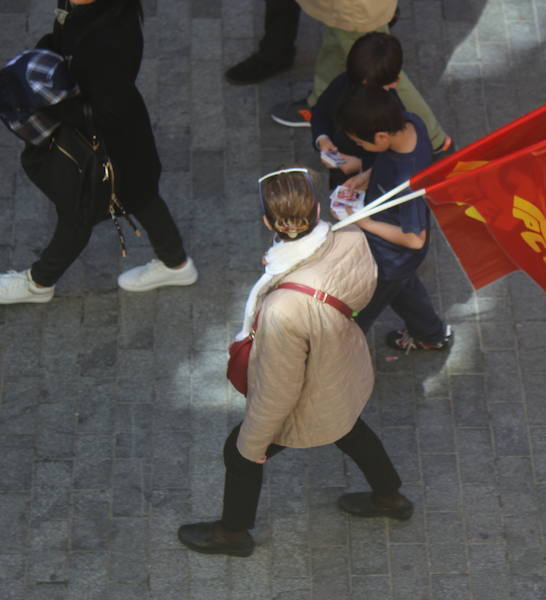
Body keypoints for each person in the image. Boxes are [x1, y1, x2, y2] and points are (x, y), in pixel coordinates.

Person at [178, 167, 412, 557]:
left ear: (268, 221)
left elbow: (277, 387)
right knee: (348, 427)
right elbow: (364, 287)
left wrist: (252, 442)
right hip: (341, 362)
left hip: (312, 386)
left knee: (238, 453)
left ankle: (232, 534)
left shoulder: (281, 309)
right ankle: (390, 497)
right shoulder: (351, 235)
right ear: (318, 208)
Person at [0, 0, 197, 305]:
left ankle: (38, 284)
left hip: (111, 140)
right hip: (122, 135)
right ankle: (176, 264)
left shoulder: (112, 36)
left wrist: (50, 101)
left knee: (79, 214)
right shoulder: (85, 7)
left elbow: (107, 110)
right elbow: (61, 43)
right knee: (142, 197)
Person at [225, 0, 454, 157]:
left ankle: (435, 141)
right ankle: (319, 102)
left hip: (353, 6)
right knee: (338, 38)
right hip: (345, 8)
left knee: (380, 69)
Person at [338, 86, 452, 351]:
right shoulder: (410, 122)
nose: (360, 147)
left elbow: (414, 239)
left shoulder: (407, 180)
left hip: (390, 257)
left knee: (358, 314)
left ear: (381, 136)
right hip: (395, 260)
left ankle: (342, 359)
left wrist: (365, 222)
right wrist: (368, 176)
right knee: (403, 289)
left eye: (361, 143)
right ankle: (431, 334)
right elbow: (386, 159)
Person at [311, 31, 403, 189]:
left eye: (368, 88)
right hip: (342, 175)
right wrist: (322, 139)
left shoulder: (393, 113)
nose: (359, 92)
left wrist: (363, 164)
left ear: (393, 83)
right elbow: (320, 112)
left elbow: (397, 158)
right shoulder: (343, 83)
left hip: (377, 187)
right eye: (356, 83)